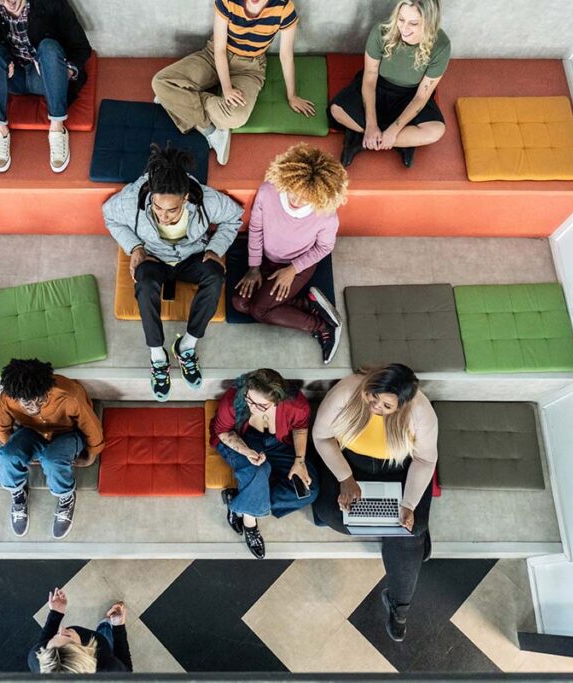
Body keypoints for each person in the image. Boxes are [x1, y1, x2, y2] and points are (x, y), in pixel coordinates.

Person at [102, 145, 243, 401]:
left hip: (191, 257)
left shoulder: (206, 199)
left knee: (215, 275)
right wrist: (134, 247)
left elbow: (234, 217)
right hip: (154, 258)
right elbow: (109, 216)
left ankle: (186, 346)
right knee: (143, 283)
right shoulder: (132, 198)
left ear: (185, 198)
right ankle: (157, 355)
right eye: (157, 208)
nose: (163, 217)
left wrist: (214, 249)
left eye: (172, 210)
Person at [312, 364, 438, 642]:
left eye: (386, 405)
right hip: (350, 463)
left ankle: (400, 606)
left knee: (408, 530)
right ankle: (410, 537)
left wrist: (408, 503)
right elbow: (321, 437)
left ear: (402, 405)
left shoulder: (420, 413)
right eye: (373, 397)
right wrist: (345, 478)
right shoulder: (346, 392)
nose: (375, 407)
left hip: (398, 468)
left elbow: (426, 460)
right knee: (332, 515)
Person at [152, 0, 316, 165]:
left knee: (235, 118)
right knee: (160, 82)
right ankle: (210, 131)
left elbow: (286, 55)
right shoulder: (227, 1)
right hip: (213, 55)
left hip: (249, 67)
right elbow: (220, 49)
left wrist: (292, 95)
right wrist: (227, 88)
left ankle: (176, 101)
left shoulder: (284, 9)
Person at [234, 144, 348, 364]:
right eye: (294, 191)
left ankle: (323, 326)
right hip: (266, 260)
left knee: (260, 311)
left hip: (297, 265)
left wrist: (292, 270)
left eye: (306, 197)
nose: (297, 200)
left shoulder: (326, 215)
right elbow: (256, 229)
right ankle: (308, 304)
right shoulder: (268, 191)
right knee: (240, 303)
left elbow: (323, 248)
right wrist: (254, 267)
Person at [0, 0, 92, 174]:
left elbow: (81, 47)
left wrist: (65, 71)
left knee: (49, 47)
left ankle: (57, 128)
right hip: (10, 79)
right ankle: (0, 130)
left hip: (45, 79)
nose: (8, 3)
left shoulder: (52, 4)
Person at [328, 0, 450, 168]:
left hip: (410, 95)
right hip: (377, 87)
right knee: (336, 110)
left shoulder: (441, 45)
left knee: (436, 131)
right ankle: (396, 140)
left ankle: (365, 137)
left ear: (430, 22)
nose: (404, 29)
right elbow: (370, 78)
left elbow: (422, 96)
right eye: (401, 19)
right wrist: (371, 125)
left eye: (413, 23)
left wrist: (394, 130)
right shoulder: (381, 31)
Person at [211, 369, 318, 559]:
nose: (251, 407)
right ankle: (250, 523)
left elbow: (300, 429)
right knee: (257, 470)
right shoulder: (233, 401)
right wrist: (246, 451)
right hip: (242, 439)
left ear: (277, 401)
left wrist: (299, 461)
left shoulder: (296, 406)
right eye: (249, 399)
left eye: (260, 405)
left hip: (279, 443)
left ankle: (239, 503)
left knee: (311, 489)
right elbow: (223, 432)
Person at [0, 358, 103, 539]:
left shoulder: (70, 394)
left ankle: (66, 496)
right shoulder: (8, 397)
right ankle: (18, 493)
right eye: (27, 404)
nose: (34, 408)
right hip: (31, 432)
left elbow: (91, 427)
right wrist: (15, 450)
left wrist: (91, 456)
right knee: (6, 456)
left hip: (67, 434)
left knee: (52, 460)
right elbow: (2, 428)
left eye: (41, 400)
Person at [30, 587, 133, 673]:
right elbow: (127, 671)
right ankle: (106, 626)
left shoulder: (37, 658)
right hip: (102, 646)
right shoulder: (108, 667)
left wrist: (56, 613)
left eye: (54, 637)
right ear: (85, 651)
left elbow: (44, 639)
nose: (61, 628)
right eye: (67, 636)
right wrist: (118, 626)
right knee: (106, 634)